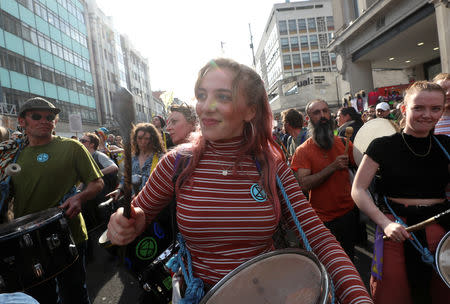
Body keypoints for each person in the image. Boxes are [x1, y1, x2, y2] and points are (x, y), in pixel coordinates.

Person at [107, 58, 372, 304]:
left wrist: (358, 298)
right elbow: (137, 214)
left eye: (222, 97)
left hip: (268, 295)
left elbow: (318, 238)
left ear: (250, 111)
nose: (205, 107)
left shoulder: (271, 167)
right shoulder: (177, 163)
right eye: (201, 96)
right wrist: (126, 221)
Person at [351, 81, 450, 304]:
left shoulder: (446, 145)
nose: (427, 115)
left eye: (435, 109)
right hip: (397, 230)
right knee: (394, 295)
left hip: (441, 231)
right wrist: (384, 223)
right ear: (405, 109)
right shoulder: (383, 145)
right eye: (419, 108)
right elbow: (358, 189)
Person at [5, 97, 103, 304]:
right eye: (37, 116)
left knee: (75, 294)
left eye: (50, 117)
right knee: (40, 297)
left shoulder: (72, 147)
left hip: (70, 234)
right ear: (22, 122)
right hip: (28, 243)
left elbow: (97, 183)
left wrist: (79, 198)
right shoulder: (12, 155)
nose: (45, 120)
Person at [290, 99, 358, 261]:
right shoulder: (303, 151)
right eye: (316, 113)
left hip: (348, 214)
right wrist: (332, 167)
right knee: (329, 263)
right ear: (308, 119)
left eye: (325, 111)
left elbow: (362, 166)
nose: (323, 116)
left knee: (349, 260)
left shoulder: (343, 142)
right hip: (323, 221)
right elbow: (304, 184)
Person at [79, 132, 118, 230]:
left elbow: (114, 167)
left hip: (101, 196)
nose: (80, 142)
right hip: (89, 197)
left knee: (105, 222)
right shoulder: (84, 157)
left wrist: (98, 172)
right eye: (80, 140)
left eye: (83, 141)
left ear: (92, 144)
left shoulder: (99, 155)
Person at [118, 123, 166, 196]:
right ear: (135, 139)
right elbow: (125, 177)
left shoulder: (161, 158)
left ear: (153, 139)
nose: (143, 142)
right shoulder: (131, 158)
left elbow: (163, 185)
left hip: (152, 202)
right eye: (140, 138)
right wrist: (119, 189)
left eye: (147, 139)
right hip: (133, 203)